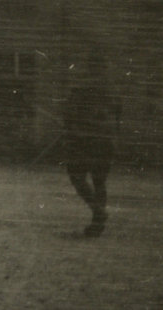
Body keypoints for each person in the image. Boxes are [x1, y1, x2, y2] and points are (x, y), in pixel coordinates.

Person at [62, 55, 119, 237]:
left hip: (84, 142)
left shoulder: (80, 90)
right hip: (106, 142)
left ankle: (98, 212)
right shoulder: (111, 91)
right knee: (99, 182)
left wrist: (72, 129)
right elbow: (117, 118)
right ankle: (97, 224)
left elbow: (69, 115)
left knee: (77, 177)